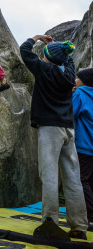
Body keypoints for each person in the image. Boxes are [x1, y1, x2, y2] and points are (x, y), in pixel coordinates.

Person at [20, 35, 88, 240]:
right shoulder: (69, 75)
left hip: (50, 128)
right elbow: (69, 61)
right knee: (73, 177)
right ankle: (79, 227)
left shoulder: (43, 69)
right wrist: (61, 51)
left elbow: (25, 51)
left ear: (47, 57)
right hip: (68, 129)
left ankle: (50, 223)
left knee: (49, 175)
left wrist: (37, 38)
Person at [72, 68, 93, 232]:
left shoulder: (80, 94)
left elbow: (69, 113)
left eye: (77, 78)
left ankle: (89, 218)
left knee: (81, 180)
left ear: (84, 81)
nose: (75, 81)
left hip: (84, 146)